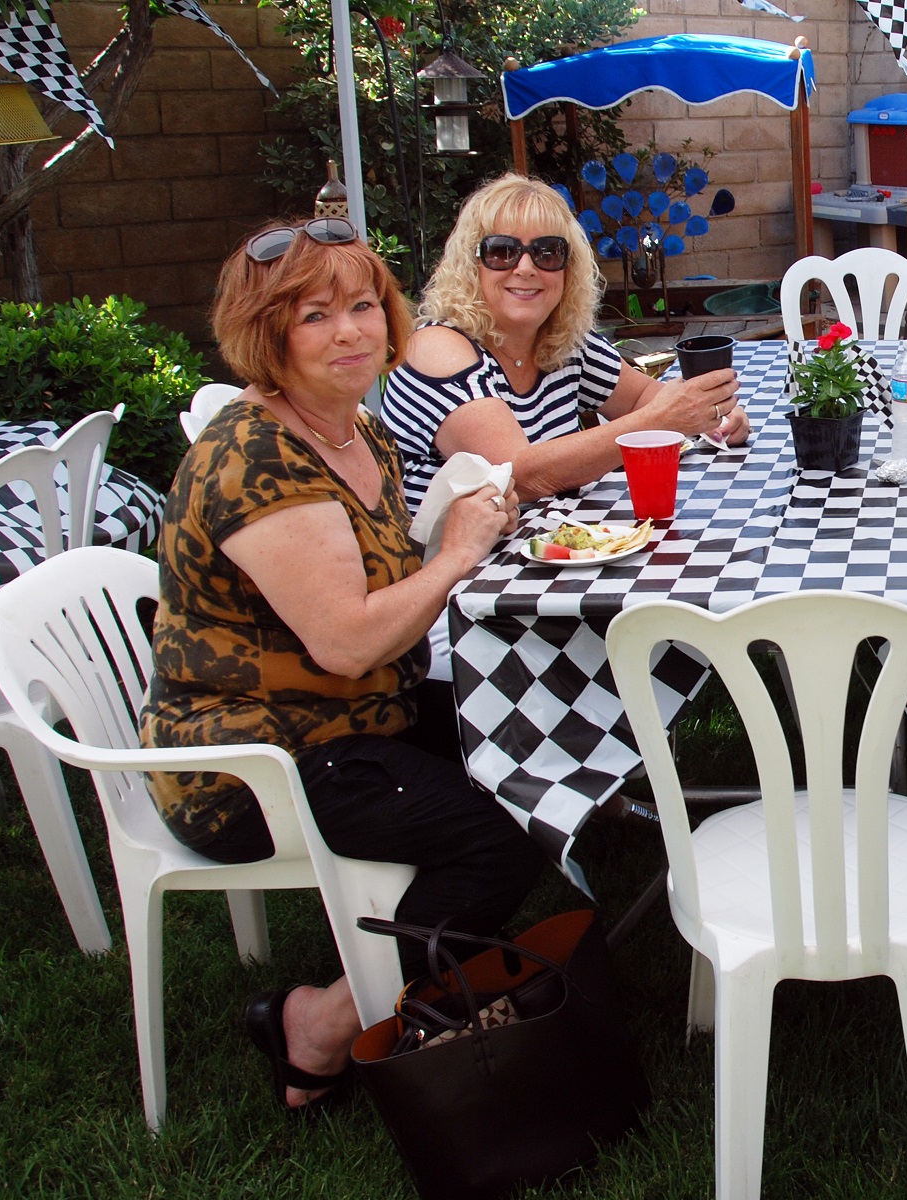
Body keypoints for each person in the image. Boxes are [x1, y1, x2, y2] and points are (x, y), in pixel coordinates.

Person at [139, 218, 546, 1110]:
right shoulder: (258, 456)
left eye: (364, 306)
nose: (353, 331)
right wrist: (456, 556)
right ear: (266, 334)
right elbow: (349, 640)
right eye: (315, 316)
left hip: (353, 714)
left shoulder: (350, 429)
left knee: (533, 763)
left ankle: (424, 981)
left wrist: (460, 538)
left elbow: (375, 589)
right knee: (506, 835)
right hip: (253, 762)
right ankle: (319, 1024)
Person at [380, 172, 749, 517]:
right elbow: (517, 475)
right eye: (502, 251)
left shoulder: (561, 341)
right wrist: (660, 419)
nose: (525, 267)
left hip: (546, 555)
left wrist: (711, 417)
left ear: (567, 269)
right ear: (470, 264)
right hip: (466, 575)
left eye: (547, 252)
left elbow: (639, 399)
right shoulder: (437, 348)